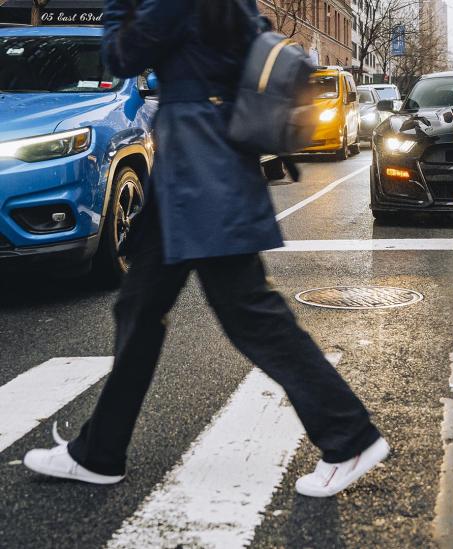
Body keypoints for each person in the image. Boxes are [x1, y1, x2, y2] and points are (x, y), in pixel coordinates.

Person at [23, 0, 388, 498]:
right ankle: (99, 453)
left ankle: (350, 437)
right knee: (140, 305)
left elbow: (123, 54)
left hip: (201, 169)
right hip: (195, 164)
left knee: (250, 313)